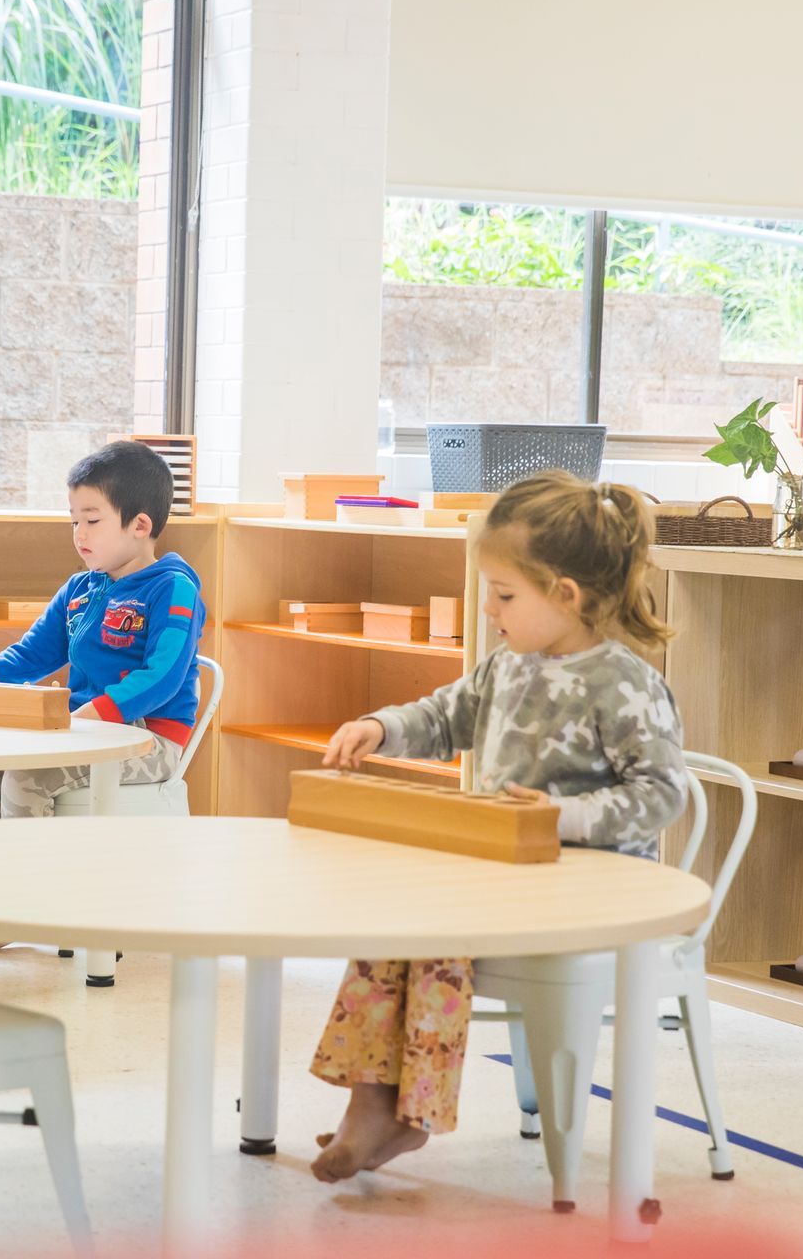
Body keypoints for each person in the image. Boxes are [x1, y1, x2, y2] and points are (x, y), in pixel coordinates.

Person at [307, 471, 686, 1182]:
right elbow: (443, 717)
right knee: (396, 923)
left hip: (592, 893)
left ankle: (401, 1113)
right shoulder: (506, 666)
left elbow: (662, 794)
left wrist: (559, 818)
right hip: (502, 880)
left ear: (566, 596)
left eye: (505, 595)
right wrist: (378, 727)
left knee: (435, 925)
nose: (489, 608)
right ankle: (378, 1107)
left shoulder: (626, 683)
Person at [0, 440, 206, 952]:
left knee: (27, 775)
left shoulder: (173, 587)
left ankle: (32, 909)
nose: (78, 534)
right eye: (73, 520)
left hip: (148, 742)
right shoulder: (82, 588)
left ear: (140, 525)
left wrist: (95, 715)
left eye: (92, 520)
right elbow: (30, 655)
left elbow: (165, 676)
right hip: (81, 732)